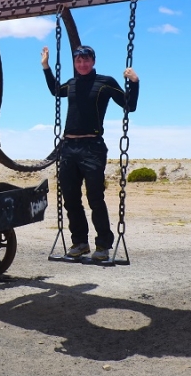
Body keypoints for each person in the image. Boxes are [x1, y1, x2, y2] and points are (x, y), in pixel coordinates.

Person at [41, 45, 139, 260]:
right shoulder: (73, 83)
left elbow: (129, 106)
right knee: (71, 199)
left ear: (93, 61)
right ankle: (80, 243)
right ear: (75, 63)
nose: (82, 64)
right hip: (68, 148)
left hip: (92, 148)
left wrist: (134, 82)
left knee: (95, 197)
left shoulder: (106, 83)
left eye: (86, 60)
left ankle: (103, 246)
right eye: (78, 61)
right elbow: (56, 91)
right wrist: (46, 66)